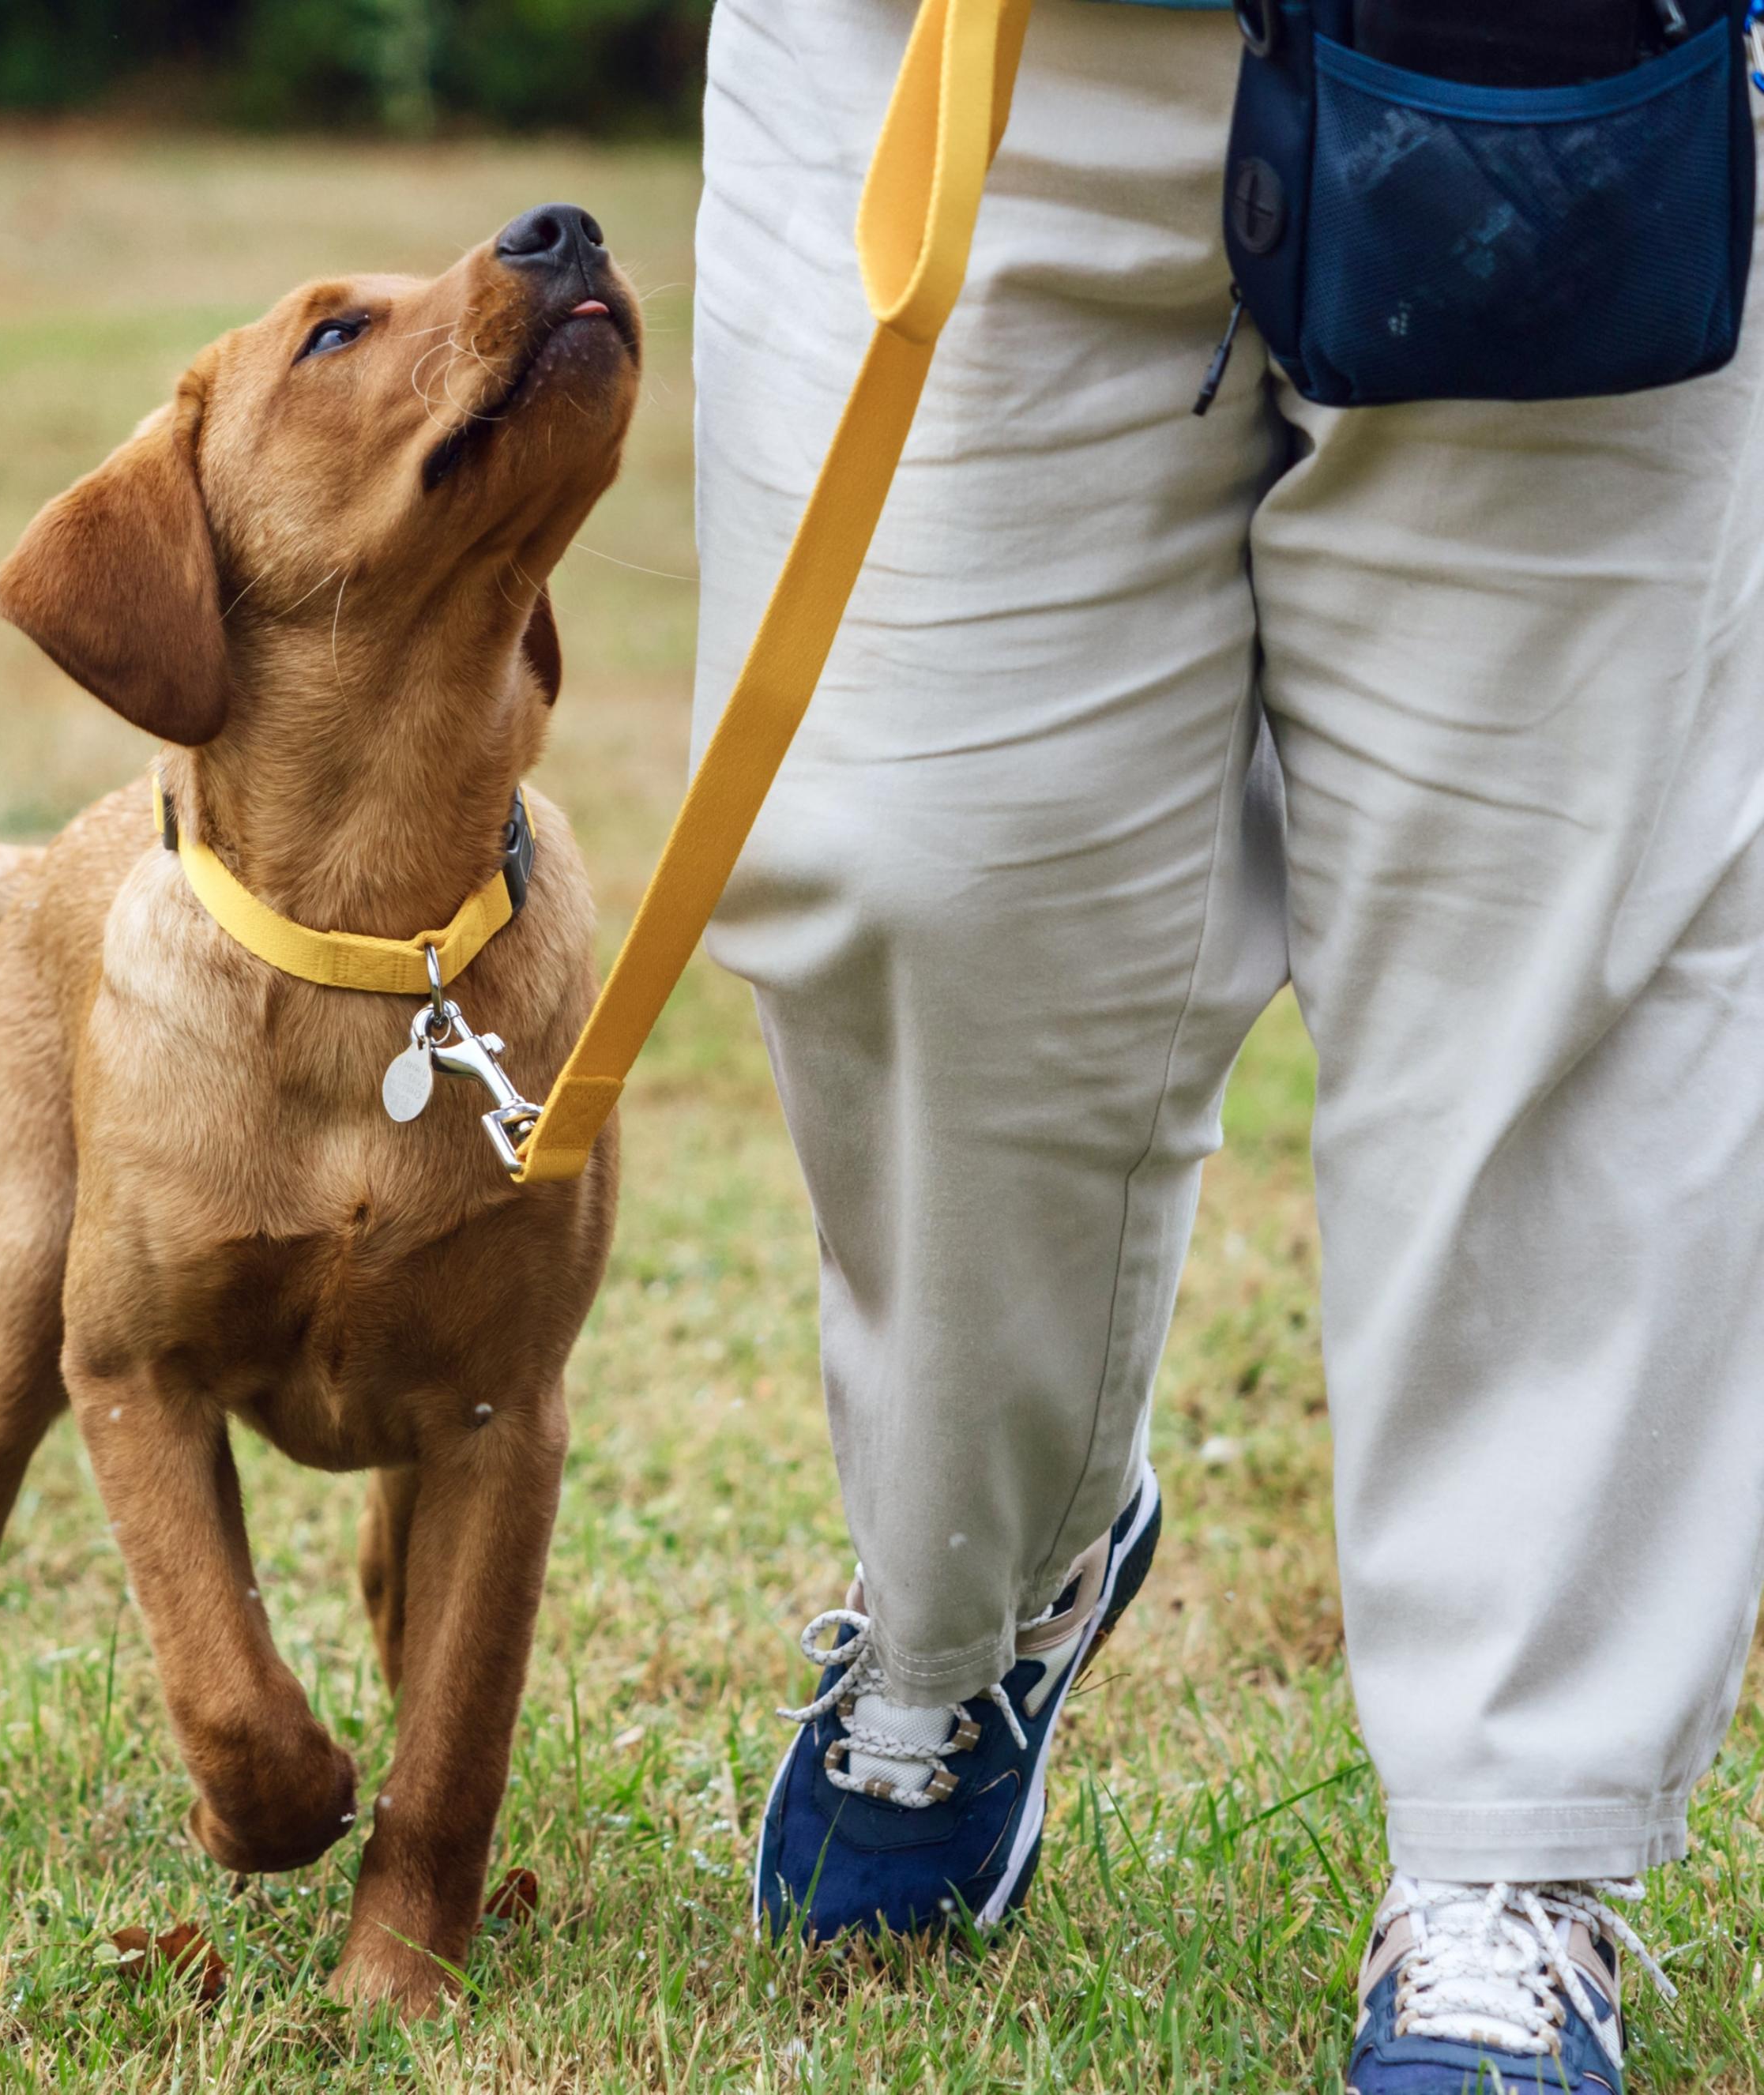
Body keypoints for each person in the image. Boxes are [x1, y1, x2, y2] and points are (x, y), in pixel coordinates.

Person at [698, 0, 1764, 2086]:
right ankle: (992, 1584)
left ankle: (1507, 1857)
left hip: (1566, 50)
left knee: (1547, 908)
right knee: (905, 855)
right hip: (958, 50)